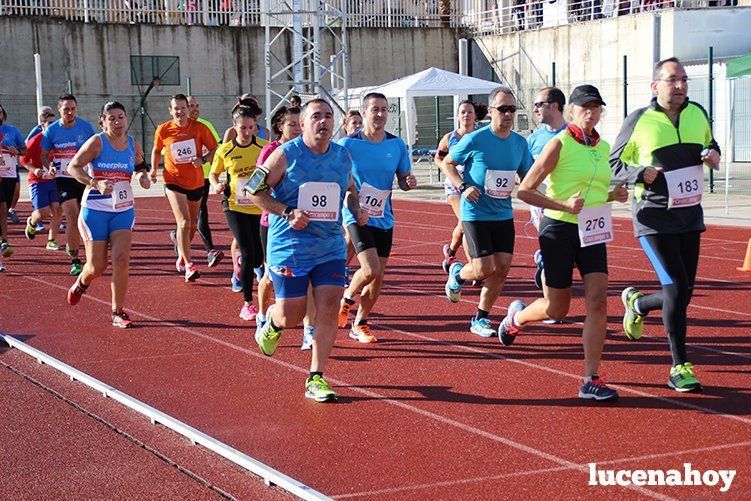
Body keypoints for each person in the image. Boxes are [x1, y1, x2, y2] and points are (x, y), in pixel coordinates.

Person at [509, 85, 628, 401]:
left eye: (597, 107)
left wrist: (613, 195)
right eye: (585, 106)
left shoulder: (603, 149)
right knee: (557, 308)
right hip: (558, 230)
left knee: (598, 301)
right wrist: (563, 205)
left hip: (592, 231)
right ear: (572, 110)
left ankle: (591, 377)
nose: (592, 112)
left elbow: (600, 190)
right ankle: (516, 318)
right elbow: (525, 191)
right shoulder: (558, 144)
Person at [610, 57, 721, 393]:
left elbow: (710, 144)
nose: (680, 85)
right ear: (655, 86)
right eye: (673, 80)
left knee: (683, 292)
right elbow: (613, 163)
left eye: (684, 79)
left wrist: (713, 155)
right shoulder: (639, 120)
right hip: (653, 217)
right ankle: (678, 366)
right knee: (675, 288)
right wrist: (635, 173)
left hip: (689, 215)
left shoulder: (697, 113)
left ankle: (638, 304)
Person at [251, 98, 368, 402]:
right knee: (293, 314)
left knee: (329, 308)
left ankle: (316, 378)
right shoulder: (285, 155)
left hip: (329, 245)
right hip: (290, 245)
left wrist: (357, 209)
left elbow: (351, 190)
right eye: (316, 116)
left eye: (329, 116)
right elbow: (253, 190)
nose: (324, 122)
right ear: (302, 124)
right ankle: (273, 324)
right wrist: (287, 211)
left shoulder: (342, 156)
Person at [440, 86, 533, 338]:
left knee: (501, 269)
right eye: (503, 109)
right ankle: (457, 274)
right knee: (482, 269)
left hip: (503, 214)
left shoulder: (519, 143)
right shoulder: (475, 139)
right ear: (491, 111)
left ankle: (480, 318)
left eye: (512, 109)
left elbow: (527, 176)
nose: (508, 114)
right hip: (475, 214)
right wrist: (463, 186)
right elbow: (448, 163)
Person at [337, 93, 416, 343]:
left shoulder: (396, 145)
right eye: (375, 109)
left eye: (384, 109)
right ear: (364, 112)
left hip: (384, 215)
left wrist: (408, 182)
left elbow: (403, 179)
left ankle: (360, 322)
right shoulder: (347, 144)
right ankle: (347, 299)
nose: (380, 114)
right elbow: (334, 174)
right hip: (355, 212)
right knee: (369, 268)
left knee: (378, 275)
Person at [65, 101, 151, 328]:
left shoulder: (133, 143)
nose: (117, 122)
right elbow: (73, 167)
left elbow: (142, 164)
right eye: (111, 118)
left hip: (123, 210)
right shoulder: (96, 142)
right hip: (95, 211)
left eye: (121, 117)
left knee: (122, 260)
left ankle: (118, 312)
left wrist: (143, 176)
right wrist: (94, 182)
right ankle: (82, 283)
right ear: (103, 122)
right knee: (97, 266)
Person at [254, 105, 314, 349]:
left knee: (310, 279)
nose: (297, 128)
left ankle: (309, 330)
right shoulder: (272, 151)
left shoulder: (310, 151)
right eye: (292, 124)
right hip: (274, 225)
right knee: (268, 277)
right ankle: (262, 315)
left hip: (306, 226)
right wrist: (281, 210)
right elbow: (256, 188)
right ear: (280, 126)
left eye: (300, 123)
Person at [150, 94, 218, 282]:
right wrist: (154, 170)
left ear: (188, 109)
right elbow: (156, 150)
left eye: (183, 108)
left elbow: (215, 150)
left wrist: (202, 159)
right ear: (170, 110)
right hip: (172, 181)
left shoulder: (199, 128)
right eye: (176, 108)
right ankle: (189, 265)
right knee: (183, 222)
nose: (180, 111)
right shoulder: (163, 129)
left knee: (192, 227)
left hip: (196, 182)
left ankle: (181, 254)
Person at [210, 101, 268, 321]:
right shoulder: (226, 150)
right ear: (234, 127)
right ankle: (247, 303)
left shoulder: (264, 147)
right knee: (247, 251)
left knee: (258, 257)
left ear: (255, 126)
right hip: (234, 205)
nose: (246, 132)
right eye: (242, 128)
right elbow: (214, 174)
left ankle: (242, 264)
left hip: (260, 206)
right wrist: (216, 185)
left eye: (250, 127)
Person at [41, 94, 97, 276]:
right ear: (59, 109)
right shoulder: (52, 131)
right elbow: (43, 154)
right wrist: (48, 166)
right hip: (63, 178)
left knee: (85, 218)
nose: (70, 112)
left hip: (82, 177)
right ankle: (75, 258)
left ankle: (86, 250)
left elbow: (96, 150)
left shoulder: (86, 128)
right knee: (72, 217)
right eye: (66, 109)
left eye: (73, 109)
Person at [527, 87, 568, 293]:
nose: (535, 109)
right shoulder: (533, 140)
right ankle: (552, 303)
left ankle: (544, 258)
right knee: (554, 246)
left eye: (538, 104)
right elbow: (524, 171)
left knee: (572, 254)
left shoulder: (574, 135)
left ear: (553, 106)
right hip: (542, 203)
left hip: (570, 202)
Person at [434, 100, 478, 273]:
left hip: (473, 185)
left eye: (469, 112)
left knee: (463, 225)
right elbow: (438, 157)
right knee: (466, 221)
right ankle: (474, 268)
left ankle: (450, 251)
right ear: (458, 116)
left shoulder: (480, 136)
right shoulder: (450, 138)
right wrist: (446, 167)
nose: (466, 115)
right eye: (463, 112)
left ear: (475, 116)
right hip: (454, 186)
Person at [186, 95, 224, 268]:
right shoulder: (173, 129)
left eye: (197, 105)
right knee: (193, 216)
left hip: (204, 177)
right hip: (181, 179)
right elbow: (165, 152)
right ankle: (208, 250)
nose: (195, 108)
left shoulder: (205, 125)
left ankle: (208, 250)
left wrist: (203, 159)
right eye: (191, 105)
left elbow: (216, 148)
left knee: (200, 212)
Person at [23, 113, 63, 250]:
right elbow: (23, 160)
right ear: (42, 125)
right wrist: (34, 170)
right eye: (49, 123)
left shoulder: (58, 140)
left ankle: (51, 240)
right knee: (43, 213)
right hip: (38, 181)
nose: (53, 126)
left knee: (58, 210)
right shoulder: (35, 140)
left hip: (54, 180)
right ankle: (32, 222)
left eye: (54, 123)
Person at [0, 103, 27, 261]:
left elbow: (24, 150)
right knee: (2, 209)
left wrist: (16, 151)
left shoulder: (12, 130)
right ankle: (5, 243)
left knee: (5, 208)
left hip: (10, 175)